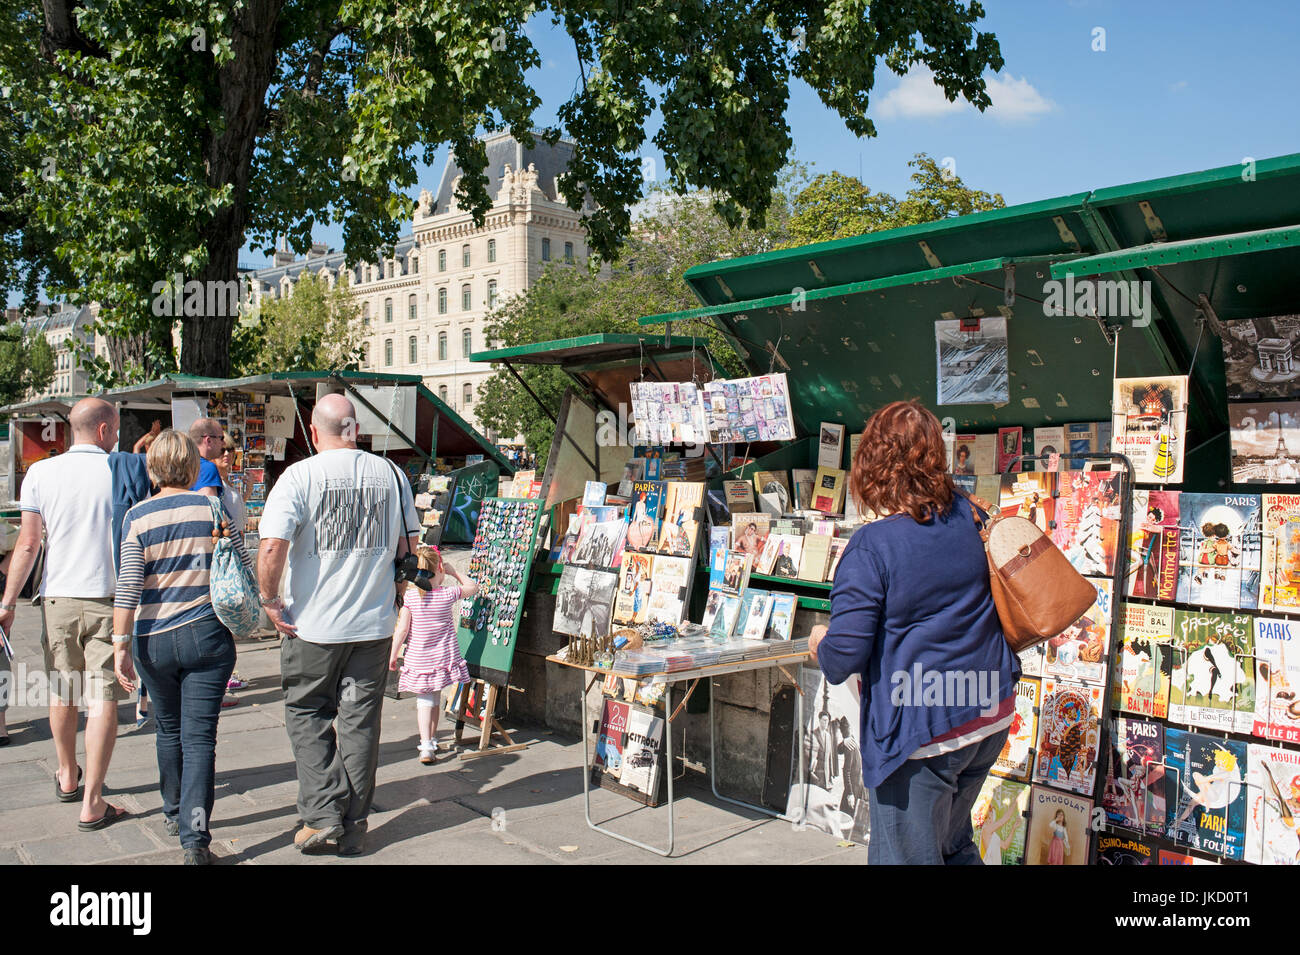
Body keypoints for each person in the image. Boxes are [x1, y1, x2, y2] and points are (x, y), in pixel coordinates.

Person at [809, 400, 1019, 865]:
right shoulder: (971, 515)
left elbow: (843, 656)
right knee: (954, 845)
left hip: (923, 731)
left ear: (873, 463)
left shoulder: (872, 546)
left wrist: (819, 641)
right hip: (989, 712)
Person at [257, 393, 418, 856]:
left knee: (308, 714)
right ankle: (354, 823)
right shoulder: (391, 475)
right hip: (372, 624)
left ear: (313, 431)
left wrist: (270, 600)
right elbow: (408, 551)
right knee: (359, 722)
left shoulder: (299, 477)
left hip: (313, 626)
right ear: (356, 430)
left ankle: (324, 812)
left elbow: (271, 549)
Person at [112, 430, 249, 865]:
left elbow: (129, 585)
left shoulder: (137, 516)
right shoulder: (212, 506)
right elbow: (241, 562)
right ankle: (195, 839)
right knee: (200, 737)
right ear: (193, 466)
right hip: (207, 633)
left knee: (168, 729)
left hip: (153, 639)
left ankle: (172, 810)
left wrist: (120, 645)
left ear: (151, 468)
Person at [0, 397, 132, 830]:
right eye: (115, 428)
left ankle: (65, 773)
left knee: (62, 690)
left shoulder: (41, 472)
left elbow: (28, 543)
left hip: (57, 598)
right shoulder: (123, 468)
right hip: (110, 599)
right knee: (103, 698)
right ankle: (93, 799)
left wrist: (7, 602)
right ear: (104, 430)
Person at [387, 546, 477, 765]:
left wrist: (392, 654)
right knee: (433, 700)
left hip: (419, 659)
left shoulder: (411, 597)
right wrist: (454, 572)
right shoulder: (447, 594)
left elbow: (402, 629)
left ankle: (428, 742)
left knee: (427, 700)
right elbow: (472, 587)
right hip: (442, 659)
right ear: (439, 568)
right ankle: (428, 743)